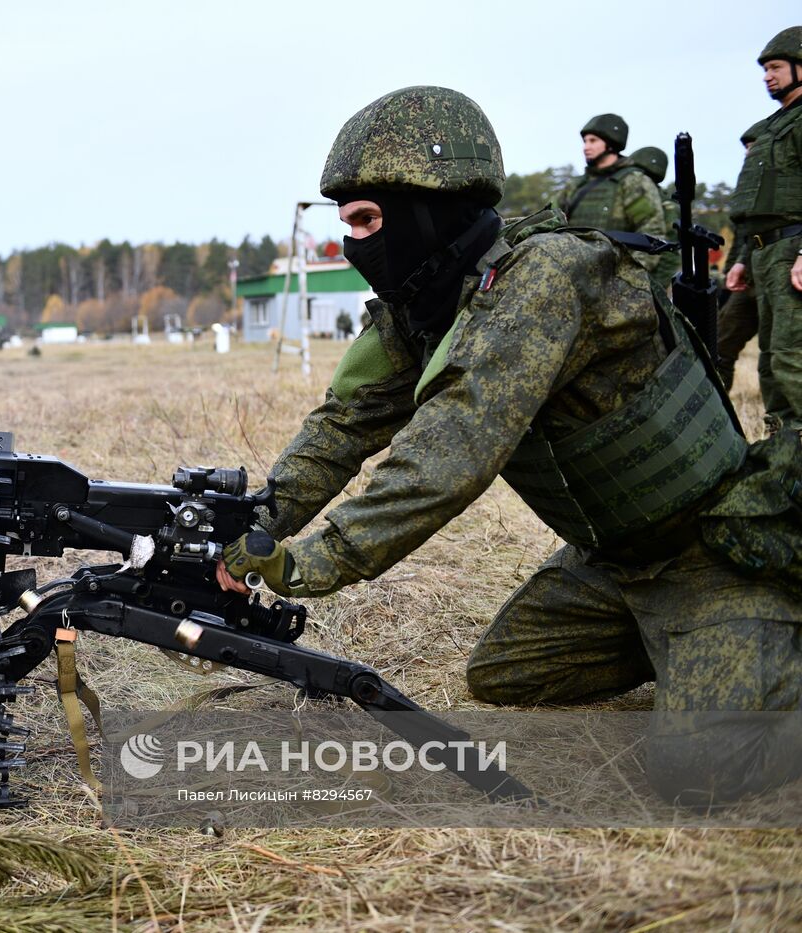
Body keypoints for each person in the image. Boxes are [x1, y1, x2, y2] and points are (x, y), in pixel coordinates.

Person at [217, 85, 802, 805]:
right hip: (615, 563)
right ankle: (693, 652)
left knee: (701, 772)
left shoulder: (544, 277)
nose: (355, 244)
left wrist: (309, 561)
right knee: (506, 672)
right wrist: (256, 520)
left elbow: (451, 447)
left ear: (430, 207)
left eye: (369, 220)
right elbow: (344, 426)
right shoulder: (428, 303)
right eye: (347, 224)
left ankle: (756, 633)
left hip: (711, 550)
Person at [724, 27, 802, 433]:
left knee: (793, 356)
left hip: (793, 250)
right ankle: (785, 452)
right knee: (771, 357)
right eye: (765, 69)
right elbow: (756, 208)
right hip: (764, 253)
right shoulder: (772, 126)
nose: (767, 76)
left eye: (775, 67)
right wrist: (740, 261)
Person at [561, 113, 668, 273]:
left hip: (614, 276)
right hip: (573, 272)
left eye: (593, 141)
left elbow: (652, 234)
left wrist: (628, 275)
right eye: (585, 141)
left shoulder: (632, 181)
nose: (586, 147)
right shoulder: (575, 186)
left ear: (611, 143)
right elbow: (551, 223)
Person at [717, 121, 770, 391]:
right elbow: (740, 239)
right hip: (745, 280)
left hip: (777, 273)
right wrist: (729, 273)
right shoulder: (748, 191)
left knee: (777, 355)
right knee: (720, 346)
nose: (749, 155)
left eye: (754, 148)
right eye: (747, 149)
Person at [627, 145, 682, 291]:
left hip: (653, 277)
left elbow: (670, 251)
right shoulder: (634, 196)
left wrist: (657, 286)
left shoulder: (665, 205)